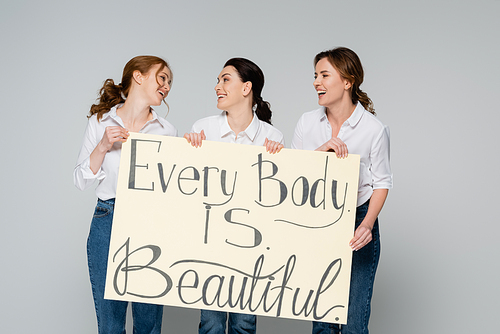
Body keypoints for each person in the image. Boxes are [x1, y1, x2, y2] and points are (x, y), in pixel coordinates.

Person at [291, 47, 392, 334]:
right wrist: (321, 151)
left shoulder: (373, 129)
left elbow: (382, 182)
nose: (316, 82)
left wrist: (367, 224)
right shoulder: (307, 123)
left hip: (359, 218)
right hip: (318, 220)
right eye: (315, 75)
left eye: (324, 75)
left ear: (347, 81)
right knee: (322, 318)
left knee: (353, 323)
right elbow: (291, 174)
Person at [73, 55, 177, 333]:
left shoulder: (167, 131)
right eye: (162, 77)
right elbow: (80, 179)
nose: (166, 86)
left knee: (148, 323)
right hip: (108, 218)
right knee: (110, 323)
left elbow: (172, 190)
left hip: (150, 224)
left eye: (169, 82)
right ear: (138, 76)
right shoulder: (101, 122)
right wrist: (104, 145)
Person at [184, 57, 284, 334]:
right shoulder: (202, 128)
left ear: (246, 88)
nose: (218, 86)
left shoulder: (271, 137)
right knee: (211, 323)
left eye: (225, 79)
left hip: (250, 244)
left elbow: (276, 200)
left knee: (244, 323)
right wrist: (188, 151)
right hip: (210, 242)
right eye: (218, 80)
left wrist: (281, 159)